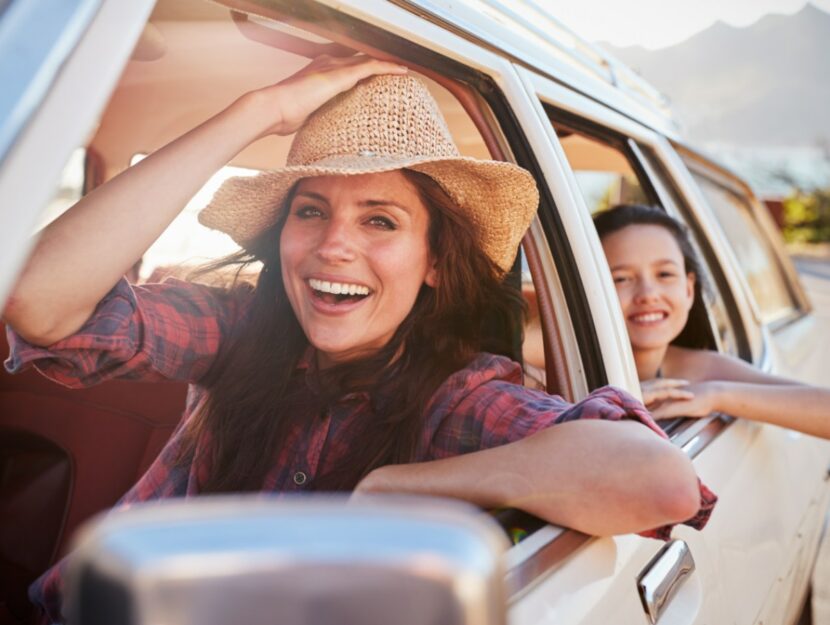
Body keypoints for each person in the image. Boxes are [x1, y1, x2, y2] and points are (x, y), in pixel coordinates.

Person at [4, 56, 714, 622]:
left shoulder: (457, 398)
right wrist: (257, 113)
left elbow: (661, 480)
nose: (332, 246)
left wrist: (394, 484)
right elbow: (38, 299)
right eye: (310, 210)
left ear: (435, 260)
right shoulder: (238, 328)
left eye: (380, 220)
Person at [594, 203, 830, 437]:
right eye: (621, 278)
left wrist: (717, 395)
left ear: (688, 290)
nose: (648, 294)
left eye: (665, 274)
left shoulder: (700, 371)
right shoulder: (563, 373)